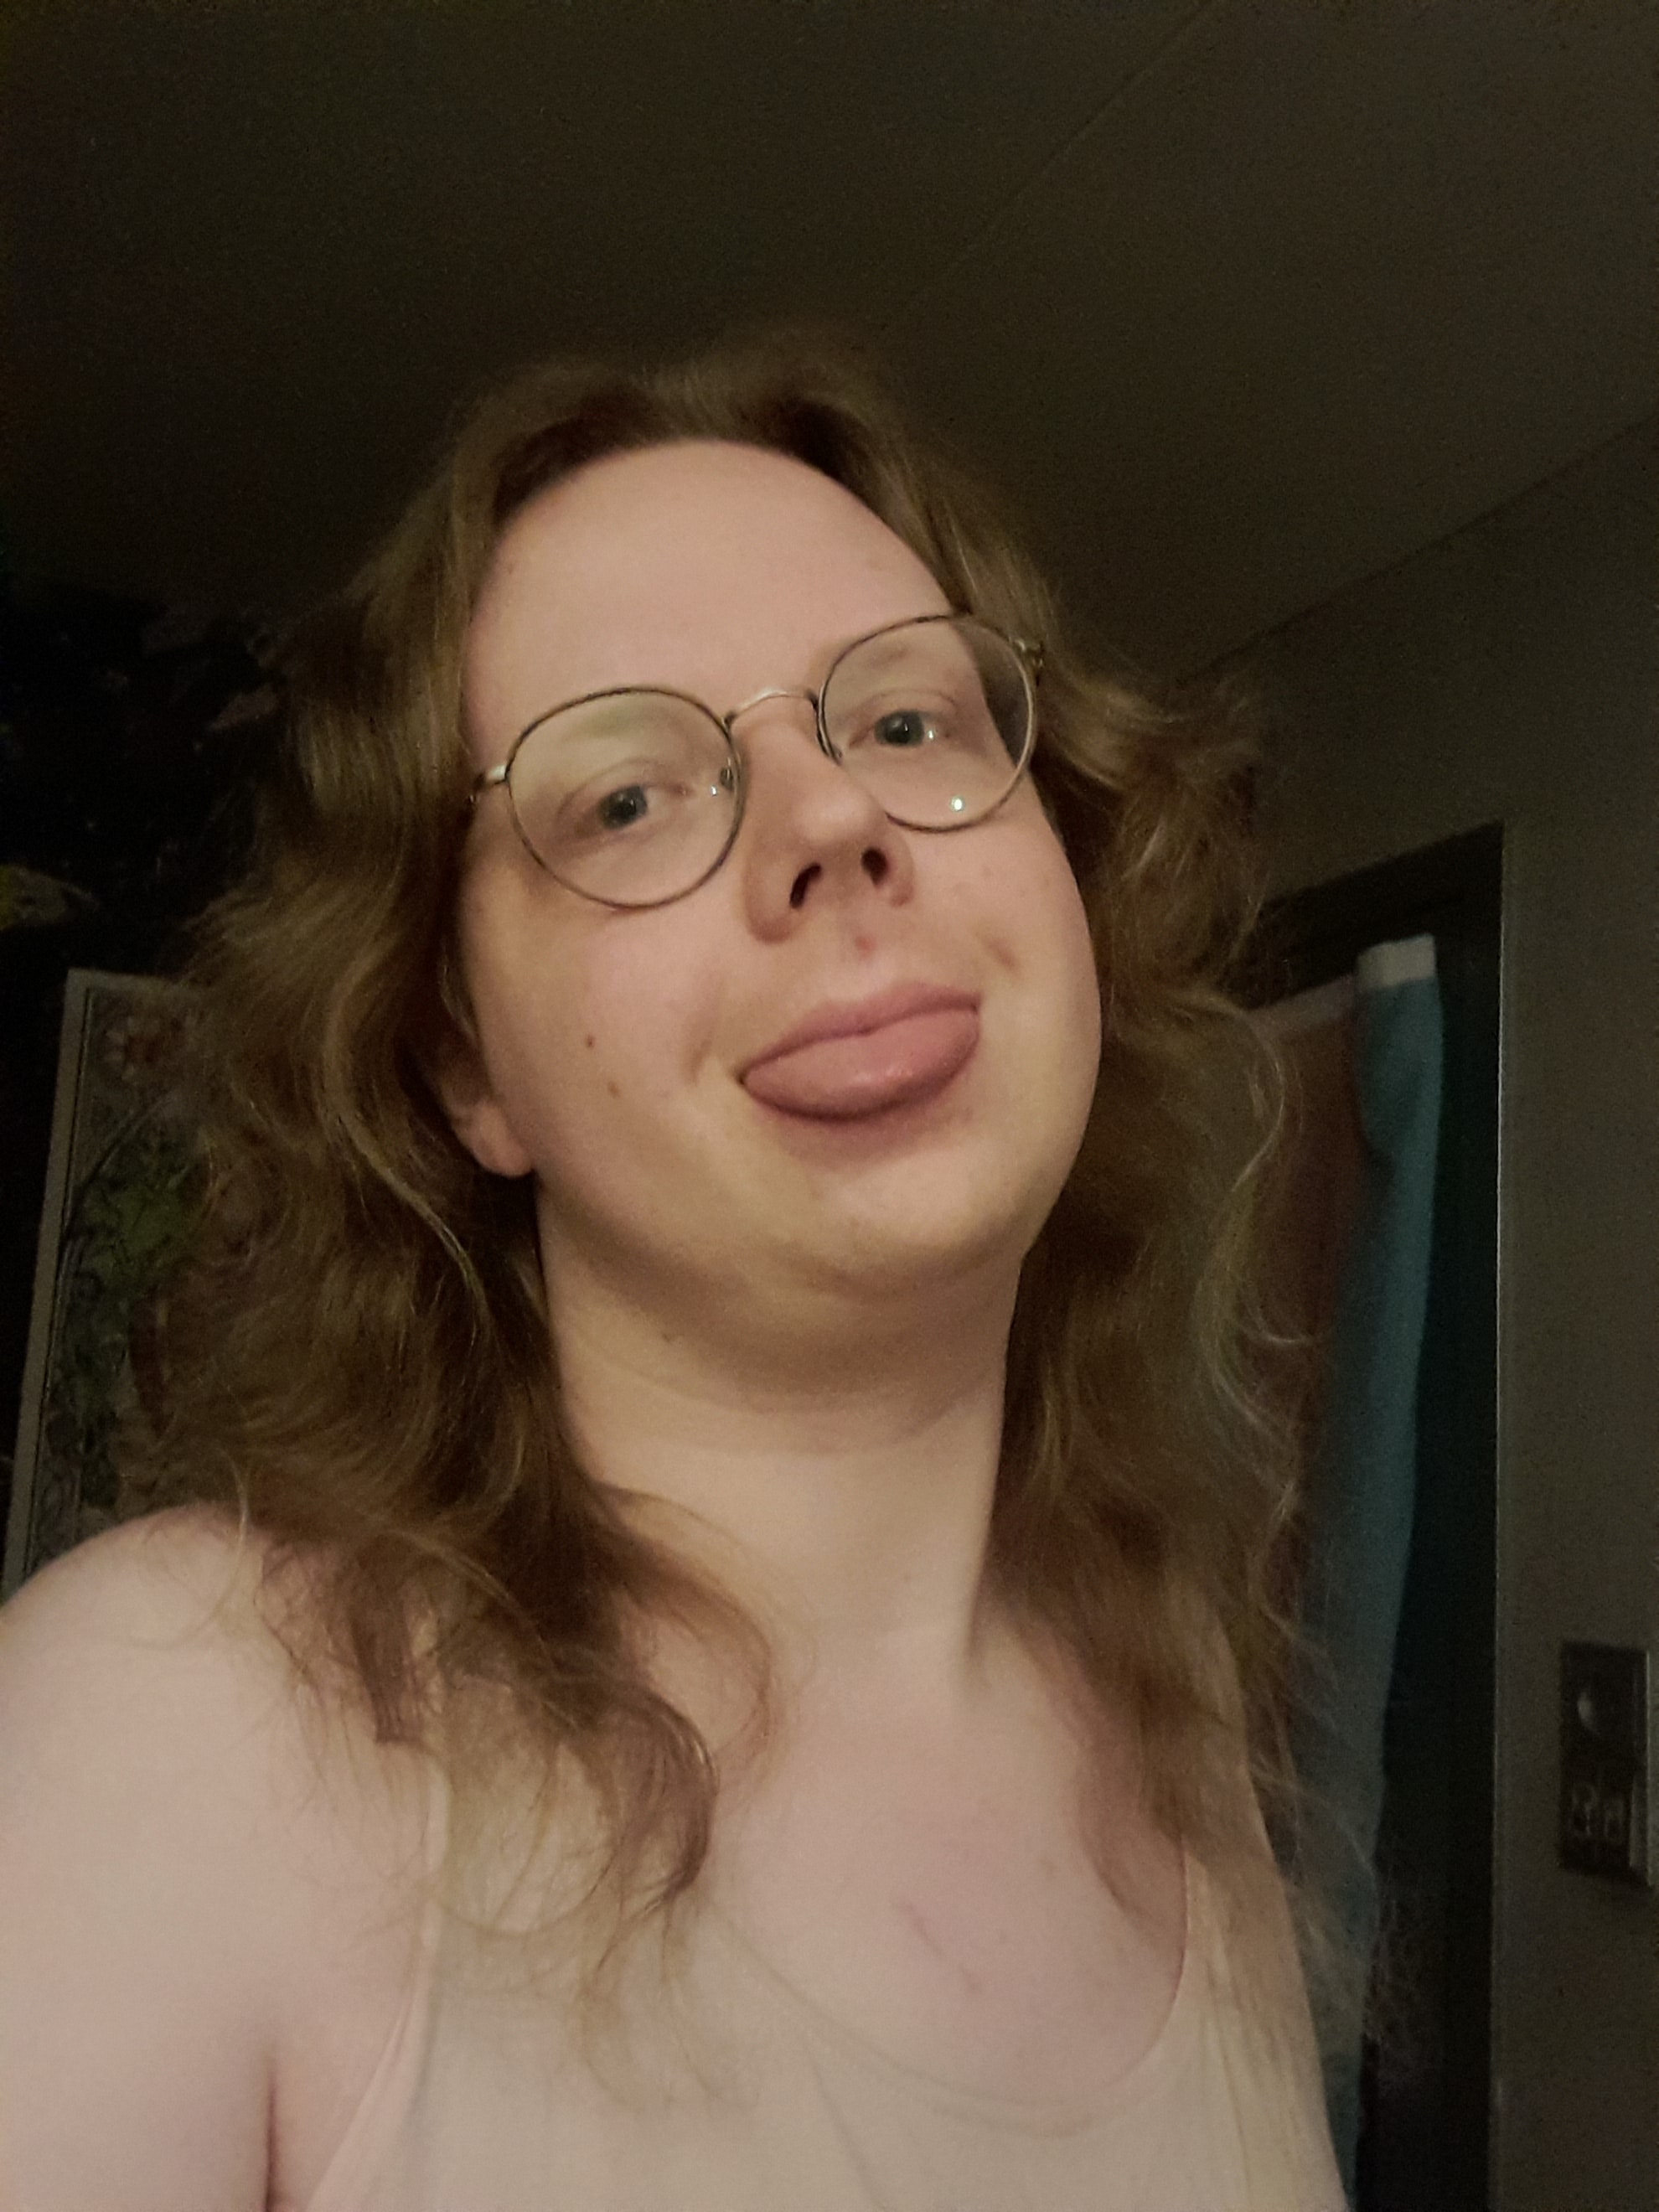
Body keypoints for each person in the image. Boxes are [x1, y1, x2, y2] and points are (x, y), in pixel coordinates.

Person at [0, 333, 1343, 2210]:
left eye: (908, 723)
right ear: (463, 1064)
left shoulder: (1171, 1706)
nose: (835, 824)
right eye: (625, 798)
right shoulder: (179, 1734)